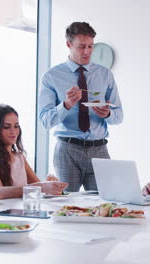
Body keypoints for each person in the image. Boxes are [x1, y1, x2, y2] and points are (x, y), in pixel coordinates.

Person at [38, 22, 123, 192]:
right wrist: (66, 105)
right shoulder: (51, 77)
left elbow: (119, 115)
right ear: (68, 44)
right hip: (67, 150)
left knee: (104, 204)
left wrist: (107, 114)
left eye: (91, 46)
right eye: (81, 46)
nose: (87, 52)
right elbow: (45, 121)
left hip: (99, 149)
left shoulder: (105, 74)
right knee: (66, 206)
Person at [0, 104, 68, 198]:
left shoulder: (19, 157)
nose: (13, 131)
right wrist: (42, 186)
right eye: (6, 127)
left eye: (16, 126)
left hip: (19, 210)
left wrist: (50, 186)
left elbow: (38, 188)